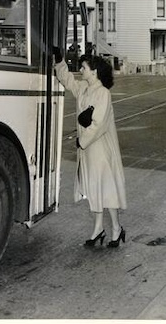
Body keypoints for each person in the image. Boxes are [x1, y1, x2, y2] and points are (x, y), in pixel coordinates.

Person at [53, 46, 127, 248]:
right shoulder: (84, 89)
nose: (81, 70)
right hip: (88, 150)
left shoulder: (102, 93)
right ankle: (98, 229)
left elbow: (99, 124)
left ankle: (116, 228)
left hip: (101, 149)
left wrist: (82, 140)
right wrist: (60, 62)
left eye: (84, 67)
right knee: (94, 188)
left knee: (106, 188)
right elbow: (67, 80)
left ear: (94, 71)